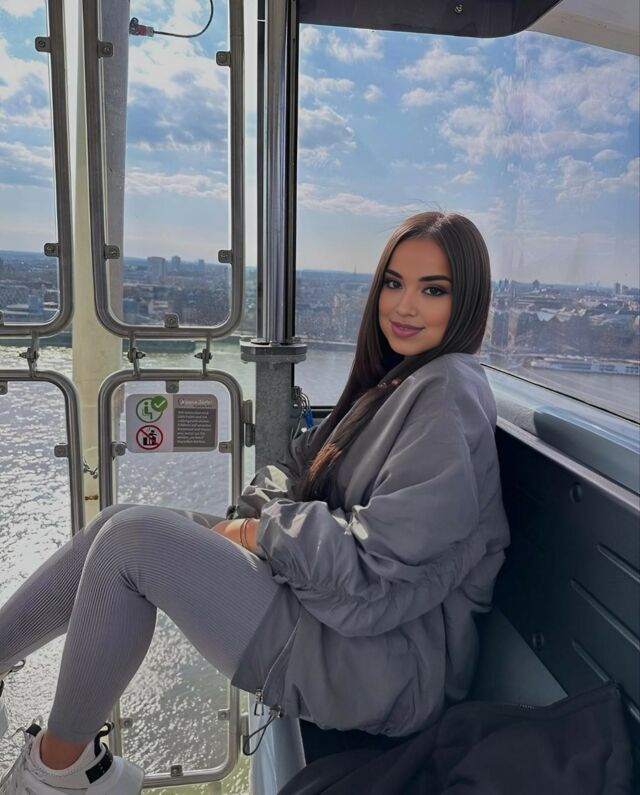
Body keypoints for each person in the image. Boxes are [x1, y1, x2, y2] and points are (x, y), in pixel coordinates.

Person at [0, 211, 510, 794]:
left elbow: (378, 570)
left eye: (434, 290)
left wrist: (257, 533)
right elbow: (295, 466)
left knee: (131, 541)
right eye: (394, 283)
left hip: (384, 665)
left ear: (467, 301)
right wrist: (258, 520)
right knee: (118, 524)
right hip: (342, 616)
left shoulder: (448, 393)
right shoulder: (398, 382)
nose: (404, 306)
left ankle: (52, 776)